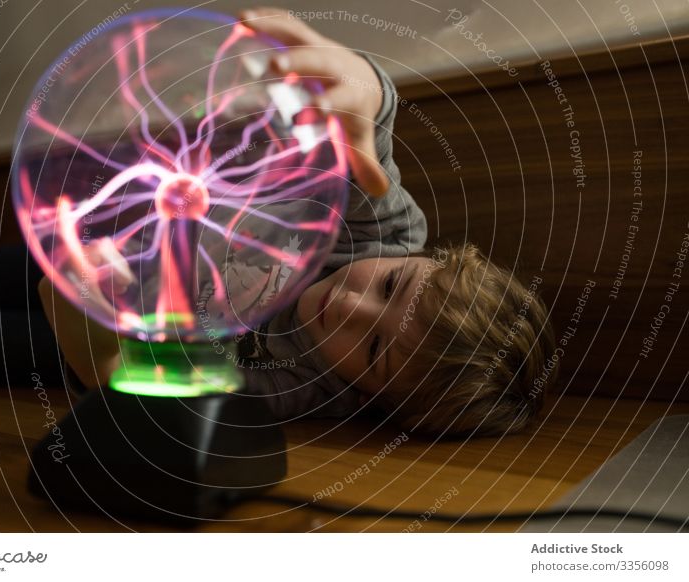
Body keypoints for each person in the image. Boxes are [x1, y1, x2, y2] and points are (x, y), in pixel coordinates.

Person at [39, 8, 558, 439]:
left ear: (370, 398)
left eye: (374, 349)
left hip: (98, 320)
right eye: (390, 285)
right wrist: (358, 84)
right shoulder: (384, 233)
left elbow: (173, 390)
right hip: (125, 238)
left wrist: (96, 351)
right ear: (425, 258)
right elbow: (371, 128)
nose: (351, 308)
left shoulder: (302, 383)